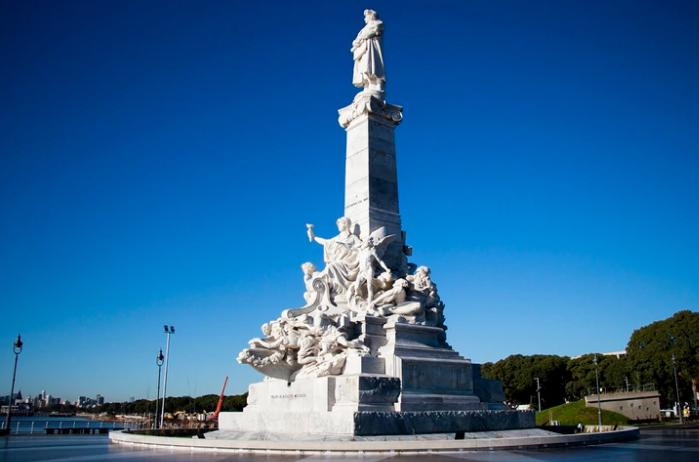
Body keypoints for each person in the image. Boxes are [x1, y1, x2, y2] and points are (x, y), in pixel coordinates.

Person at [306, 217, 361, 294]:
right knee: (329, 269)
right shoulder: (336, 238)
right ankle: (332, 290)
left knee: (331, 267)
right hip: (340, 263)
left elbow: (360, 245)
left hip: (349, 263)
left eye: (340, 224)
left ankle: (339, 290)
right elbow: (325, 242)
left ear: (345, 224)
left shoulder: (353, 237)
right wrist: (314, 237)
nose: (338, 226)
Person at [351, 9, 385, 94]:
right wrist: (356, 42)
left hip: (371, 49)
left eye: (366, 16)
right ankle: (367, 84)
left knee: (373, 67)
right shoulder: (363, 29)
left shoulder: (378, 23)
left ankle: (376, 85)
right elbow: (356, 40)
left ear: (371, 16)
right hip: (363, 51)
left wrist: (361, 38)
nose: (365, 19)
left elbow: (373, 31)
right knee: (364, 68)